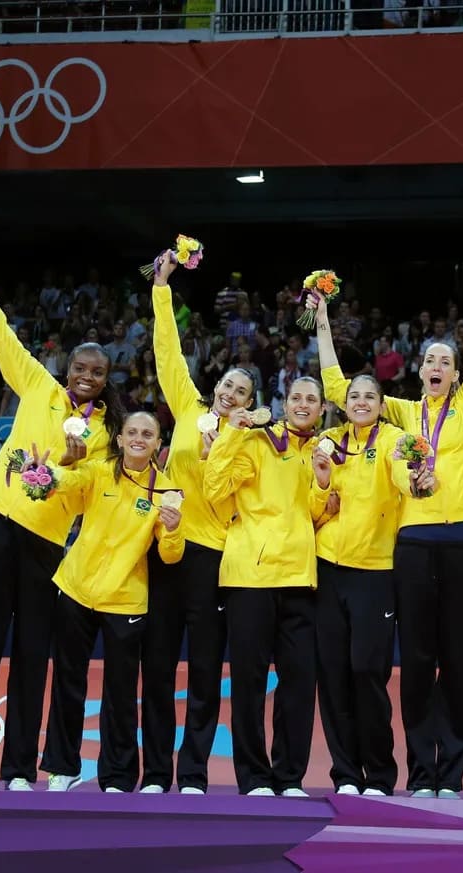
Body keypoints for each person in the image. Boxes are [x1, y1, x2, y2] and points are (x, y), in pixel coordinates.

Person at [320, 231, 463, 798]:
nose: (437, 365)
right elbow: (337, 386)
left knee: (456, 660)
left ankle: (450, 774)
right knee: (418, 661)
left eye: (446, 361)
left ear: (457, 374)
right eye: (430, 359)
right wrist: (323, 318)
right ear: (419, 369)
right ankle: (420, 774)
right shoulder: (398, 411)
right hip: (411, 546)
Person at [0, 224, 122, 792]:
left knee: (31, 654)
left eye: (97, 373)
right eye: (81, 367)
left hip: (46, 543)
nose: (86, 377)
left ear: (108, 381)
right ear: (67, 366)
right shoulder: (37, 383)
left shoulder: (106, 438)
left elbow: (82, 496)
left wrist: (67, 464)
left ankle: (19, 768)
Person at [140, 252, 256, 795]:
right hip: (167, 550)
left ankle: (192, 775)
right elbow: (167, 355)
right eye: (228, 386)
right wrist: (162, 287)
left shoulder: (253, 438)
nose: (231, 394)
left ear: (252, 405)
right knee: (158, 669)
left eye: (243, 393)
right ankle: (157, 773)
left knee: (206, 675)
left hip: (214, 561)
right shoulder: (188, 410)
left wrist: (236, 435)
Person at [33, 413, 183, 792]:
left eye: (146, 434)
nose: (138, 438)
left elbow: (170, 556)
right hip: (76, 590)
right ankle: (62, 769)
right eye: (131, 432)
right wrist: (47, 472)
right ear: (119, 440)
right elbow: (67, 482)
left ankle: (116, 776)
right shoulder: (99, 471)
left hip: (126, 601)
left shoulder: (167, 490)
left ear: (158, 444)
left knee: (120, 693)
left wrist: (173, 529)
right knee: (68, 682)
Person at [202, 378, 325, 796]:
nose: (303, 404)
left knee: (299, 684)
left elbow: (317, 512)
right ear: (283, 404)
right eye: (296, 398)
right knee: (249, 684)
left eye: (311, 399)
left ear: (322, 409)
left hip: (300, 580)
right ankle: (254, 777)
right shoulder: (256, 442)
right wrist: (234, 431)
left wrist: (325, 484)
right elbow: (214, 487)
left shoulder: (325, 451)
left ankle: (289, 776)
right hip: (249, 578)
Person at [309, 375, 408, 797]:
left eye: (370, 396)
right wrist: (323, 483)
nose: (362, 401)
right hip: (328, 569)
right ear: (343, 403)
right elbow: (312, 502)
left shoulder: (393, 439)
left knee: (368, 672)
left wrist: (415, 479)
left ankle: (380, 776)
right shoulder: (328, 439)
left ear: (382, 405)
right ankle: (346, 775)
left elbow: (404, 478)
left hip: (375, 571)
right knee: (333, 676)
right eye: (355, 396)